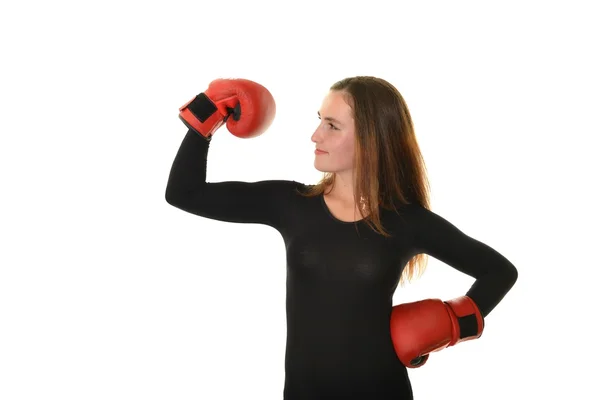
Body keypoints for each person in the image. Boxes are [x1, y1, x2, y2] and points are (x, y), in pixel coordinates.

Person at [165, 76, 518, 400]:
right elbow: (184, 193)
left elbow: (499, 272)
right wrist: (206, 116)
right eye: (319, 120)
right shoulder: (290, 203)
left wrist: (450, 324)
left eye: (332, 126)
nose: (315, 135)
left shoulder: (408, 222)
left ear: (372, 139)